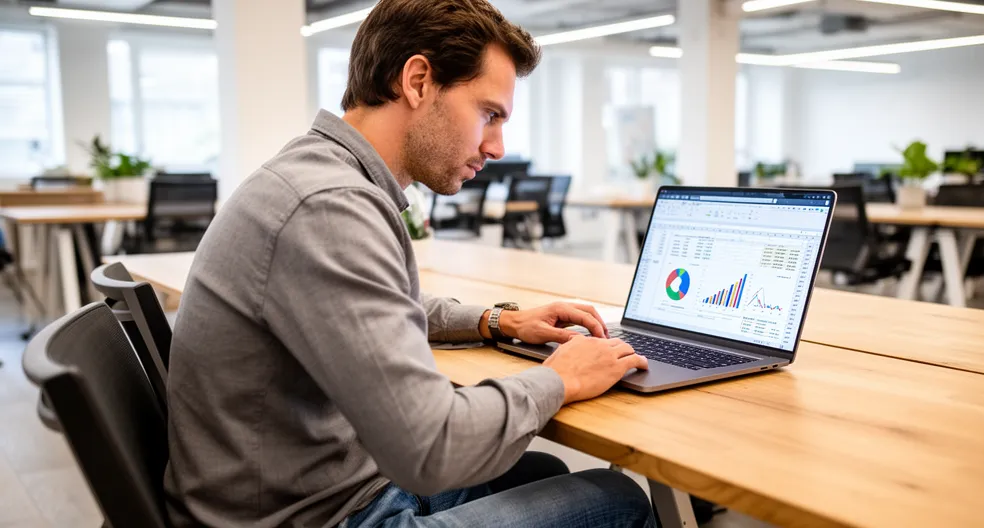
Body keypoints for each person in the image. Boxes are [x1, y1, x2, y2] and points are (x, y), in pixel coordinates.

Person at [164, 0, 654, 526]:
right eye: (489, 114)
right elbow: (431, 448)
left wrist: (496, 321)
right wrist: (560, 379)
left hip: (314, 487)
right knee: (617, 499)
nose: (497, 146)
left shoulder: (318, 174)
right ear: (418, 81)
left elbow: (375, 303)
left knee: (543, 469)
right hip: (317, 516)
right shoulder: (329, 206)